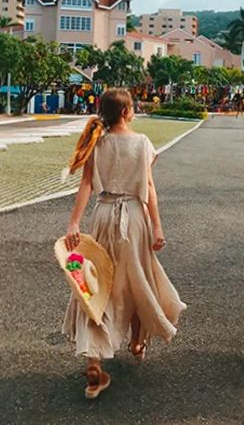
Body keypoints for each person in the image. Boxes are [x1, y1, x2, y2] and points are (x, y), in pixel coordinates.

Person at [63, 88, 186, 398]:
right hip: (134, 217)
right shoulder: (142, 143)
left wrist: (74, 222)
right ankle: (136, 340)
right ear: (126, 112)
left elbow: (87, 185)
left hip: (103, 214)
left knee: (98, 286)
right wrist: (158, 226)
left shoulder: (97, 143)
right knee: (135, 280)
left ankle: (94, 360)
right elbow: (148, 187)